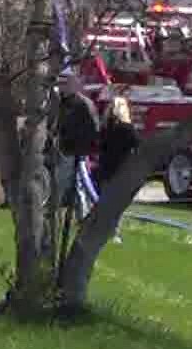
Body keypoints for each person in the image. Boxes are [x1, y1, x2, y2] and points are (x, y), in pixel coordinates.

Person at [52, 67, 100, 218]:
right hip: (62, 150)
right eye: (60, 83)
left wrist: (84, 149)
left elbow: (93, 129)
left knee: (74, 184)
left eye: (65, 83)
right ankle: (81, 215)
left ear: (73, 83)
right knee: (75, 185)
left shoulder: (83, 104)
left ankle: (80, 215)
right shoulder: (60, 103)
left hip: (77, 152)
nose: (61, 87)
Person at [96, 96, 141, 243]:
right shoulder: (128, 129)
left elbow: (99, 146)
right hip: (121, 170)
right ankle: (113, 233)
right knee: (117, 206)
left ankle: (101, 230)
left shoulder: (105, 127)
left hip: (105, 169)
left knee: (105, 203)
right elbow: (138, 146)